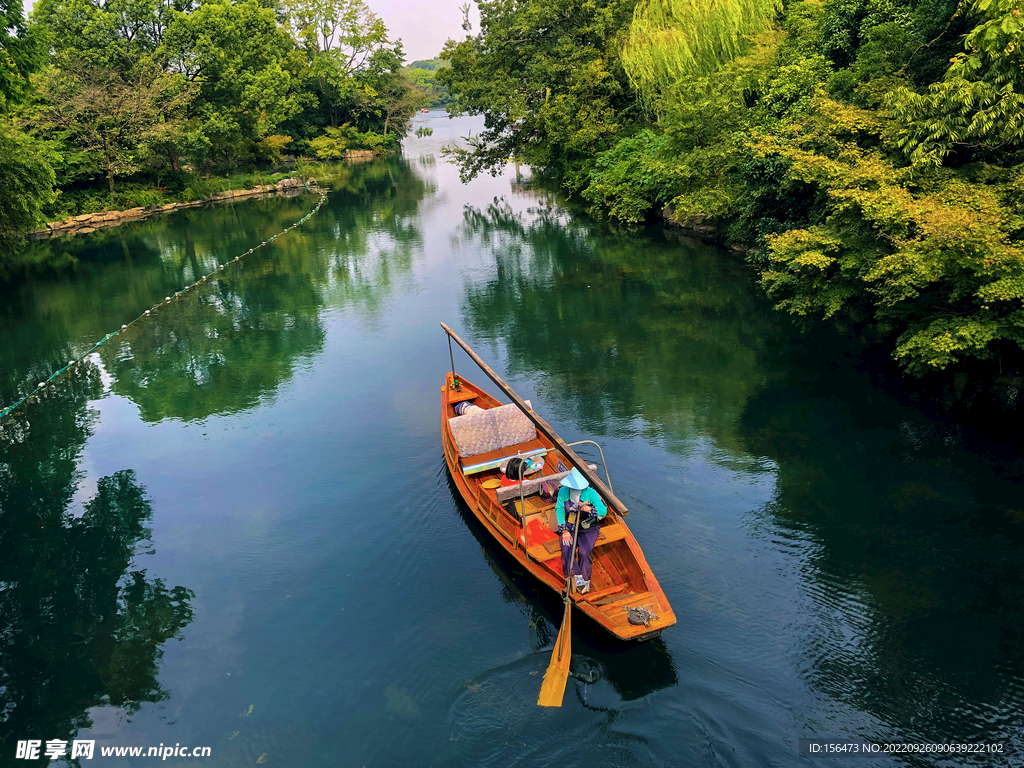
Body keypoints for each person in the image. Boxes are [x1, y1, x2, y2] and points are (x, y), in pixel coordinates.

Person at [556, 467, 607, 594]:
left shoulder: (590, 493)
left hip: (588, 528)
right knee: (567, 548)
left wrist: (589, 510)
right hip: (570, 526)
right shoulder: (563, 491)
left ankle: (585, 580)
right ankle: (576, 578)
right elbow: (560, 510)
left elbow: (603, 510)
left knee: (584, 552)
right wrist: (564, 531)